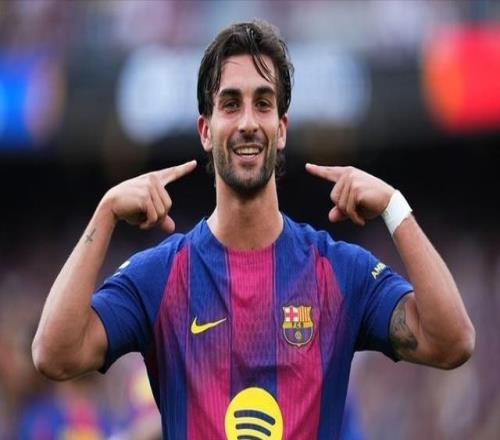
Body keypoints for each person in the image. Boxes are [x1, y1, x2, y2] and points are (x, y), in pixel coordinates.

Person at [32, 20, 475, 439]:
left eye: (263, 103)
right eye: (231, 104)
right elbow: (54, 355)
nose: (247, 122)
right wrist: (105, 213)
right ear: (206, 131)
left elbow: (452, 341)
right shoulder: (160, 277)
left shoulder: (339, 273)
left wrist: (395, 209)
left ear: (281, 130)